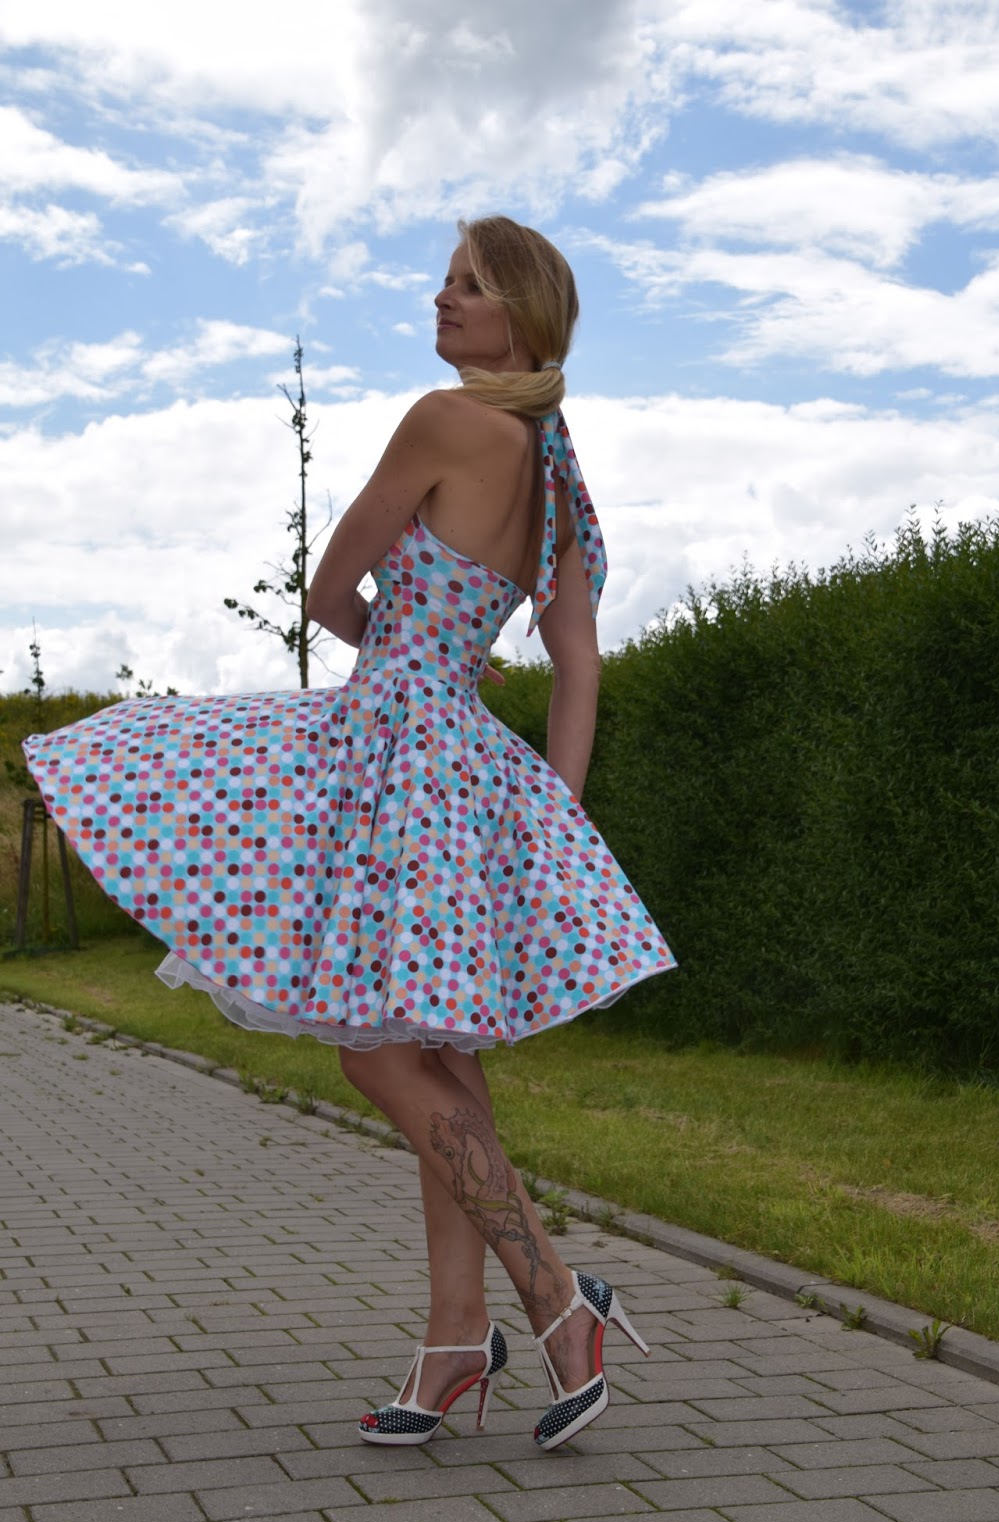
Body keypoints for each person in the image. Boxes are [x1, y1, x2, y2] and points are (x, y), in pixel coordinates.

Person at [24, 215, 676, 1451]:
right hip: (467, 766)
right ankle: (454, 1337)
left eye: (467, 285)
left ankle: (553, 1293)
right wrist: (554, 810)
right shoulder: (558, 477)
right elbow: (577, 661)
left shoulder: (445, 420)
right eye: (444, 281)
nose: (441, 298)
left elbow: (328, 592)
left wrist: (401, 649)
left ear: (521, 316)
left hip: (394, 749)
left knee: (375, 1051)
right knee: (435, 1054)